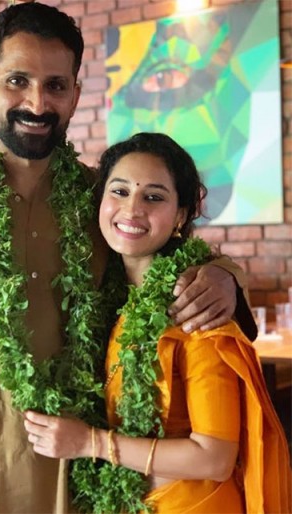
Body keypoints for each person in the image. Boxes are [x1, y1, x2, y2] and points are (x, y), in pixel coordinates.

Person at [0, 3, 255, 513]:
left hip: (96, 488)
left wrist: (225, 275)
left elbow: (172, 254)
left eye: (56, 85)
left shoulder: (102, 202)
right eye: (17, 81)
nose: (37, 103)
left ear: (75, 95)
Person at [23, 133, 291, 514]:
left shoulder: (195, 307)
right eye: (119, 191)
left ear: (181, 215)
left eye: (153, 197)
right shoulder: (110, 298)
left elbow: (215, 457)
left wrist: (89, 443)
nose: (132, 209)